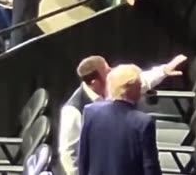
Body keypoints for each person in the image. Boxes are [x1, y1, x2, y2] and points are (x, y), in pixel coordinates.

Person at [58, 54, 186, 175]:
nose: (111, 73)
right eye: (107, 72)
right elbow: (69, 154)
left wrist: (163, 70)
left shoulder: (113, 87)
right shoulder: (75, 111)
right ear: (95, 83)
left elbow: (137, 81)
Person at [79, 64, 161, 175]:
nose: (141, 90)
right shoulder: (143, 123)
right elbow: (150, 167)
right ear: (130, 88)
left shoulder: (91, 112)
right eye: (139, 85)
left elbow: (83, 158)